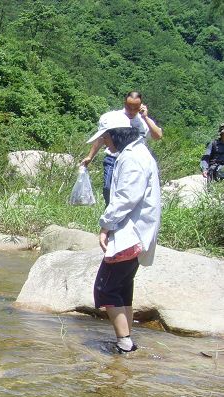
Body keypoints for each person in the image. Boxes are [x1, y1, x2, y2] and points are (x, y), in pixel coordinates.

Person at [89, 112, 161, 354]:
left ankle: (125, 343)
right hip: (138, 232)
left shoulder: (132, 158)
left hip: (131, 233)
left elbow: (126, 198)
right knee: (122, 287)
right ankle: (126, 339)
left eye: (106, 137)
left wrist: (106, 225)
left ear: (116, 134)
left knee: (105, 288)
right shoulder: (138, 153)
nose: (104, 143)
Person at [81, 91, 163, 205]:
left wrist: (145, 117)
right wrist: (90, 156)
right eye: (129, 107)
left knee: (129, 192)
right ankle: (110, 210)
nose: (132, 111)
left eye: (135, 108)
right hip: (113, 158)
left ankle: (121, 212)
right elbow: (103, 137)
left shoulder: (143, 121)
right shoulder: (114, 117)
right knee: (108, 189)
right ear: (124, 103)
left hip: (135, 162)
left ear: (141, 106)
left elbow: (158, 136)